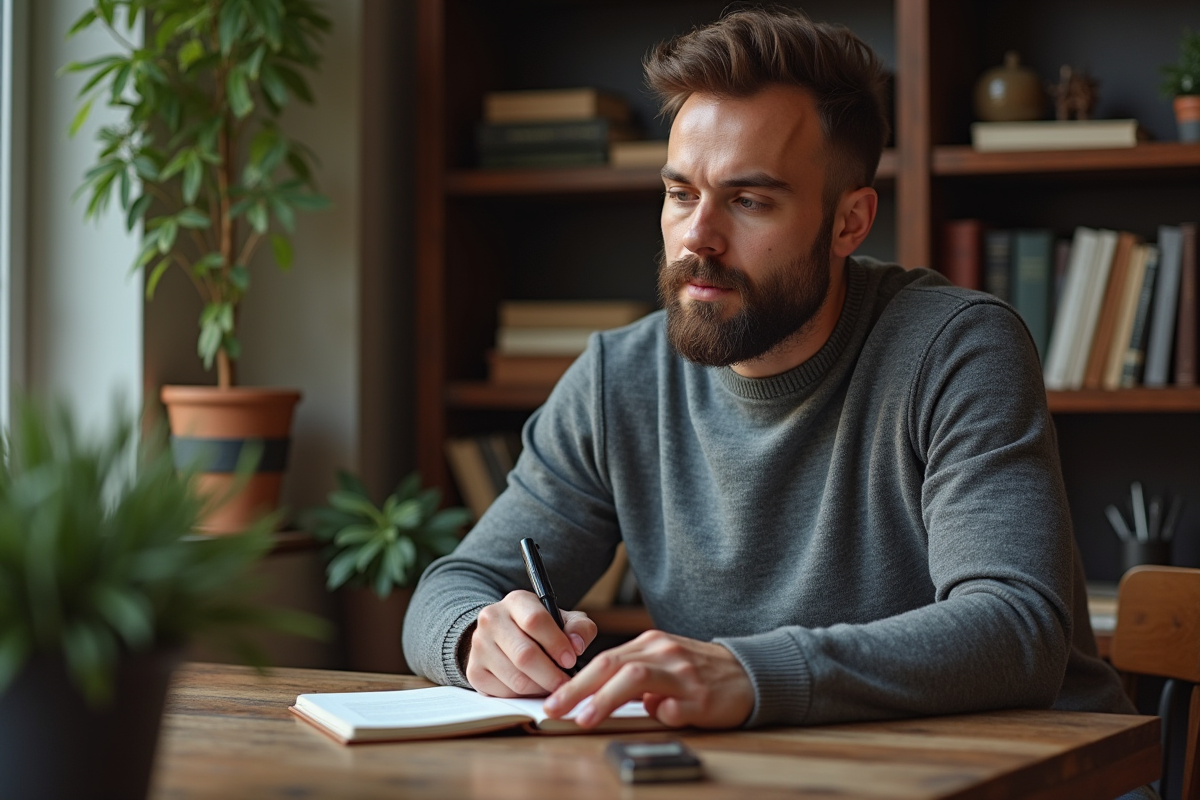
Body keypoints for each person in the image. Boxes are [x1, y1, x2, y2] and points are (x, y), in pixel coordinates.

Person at [403, 6, 1143, 777]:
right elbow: (450, 589)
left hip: (1041, 775)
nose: (698, 237)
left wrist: (753, 674)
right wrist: (478, 635)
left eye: (749, 200)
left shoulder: (956, 347)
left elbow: (1016, 630)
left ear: (849, 221)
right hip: (792, 775)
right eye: (681, 193)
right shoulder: (617, 378)